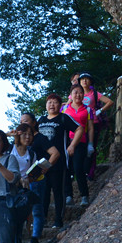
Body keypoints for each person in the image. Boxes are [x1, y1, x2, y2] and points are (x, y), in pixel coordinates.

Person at [16, 112, 61, 243]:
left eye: (27, 121)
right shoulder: (15, 144)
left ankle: (34, 239)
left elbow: (55, 153)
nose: (24, 123)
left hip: (36, 179)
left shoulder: (39, 138)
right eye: (21, 121)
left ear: (34, 123)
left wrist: (44, 168)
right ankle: (18, 240)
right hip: (19, 182)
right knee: (19, 212)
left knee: (36, 210)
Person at [36, 94, 82, 229]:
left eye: (55, 102)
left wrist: (72, 145)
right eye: (49, 102)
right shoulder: (41, 120)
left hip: (58, 161)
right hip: (40, 162)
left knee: (57, 191)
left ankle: (58, 220)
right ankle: (42, 220)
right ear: (46, 105)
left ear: (60, 105)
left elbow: (79, 129)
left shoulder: (63, 118)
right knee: (44, 191)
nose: (52, 105)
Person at [61, 85, 95, 206]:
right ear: (71, 95)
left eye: (80, 93)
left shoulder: (88, 109)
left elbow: (90, 128)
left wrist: (91, 144)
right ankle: (68, 195)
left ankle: (84, 196)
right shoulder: (64, 109)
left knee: (78, 168)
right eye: (75, 92)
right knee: (66, 168)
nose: (78, 95)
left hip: (81, 142)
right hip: (66, 141)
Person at [78, 73, 113, 181]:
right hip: (79, 123)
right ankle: (82, 172)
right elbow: (68, 105)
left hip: (94, 123)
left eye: (87, 79)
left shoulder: (95, 94)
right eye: (82, 79)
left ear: (90, 82)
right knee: (80, 148)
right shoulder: (76, 93)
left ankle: (91, 172)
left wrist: (99, 111)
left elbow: (109, 102)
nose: (84, 81)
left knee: (91, 147)